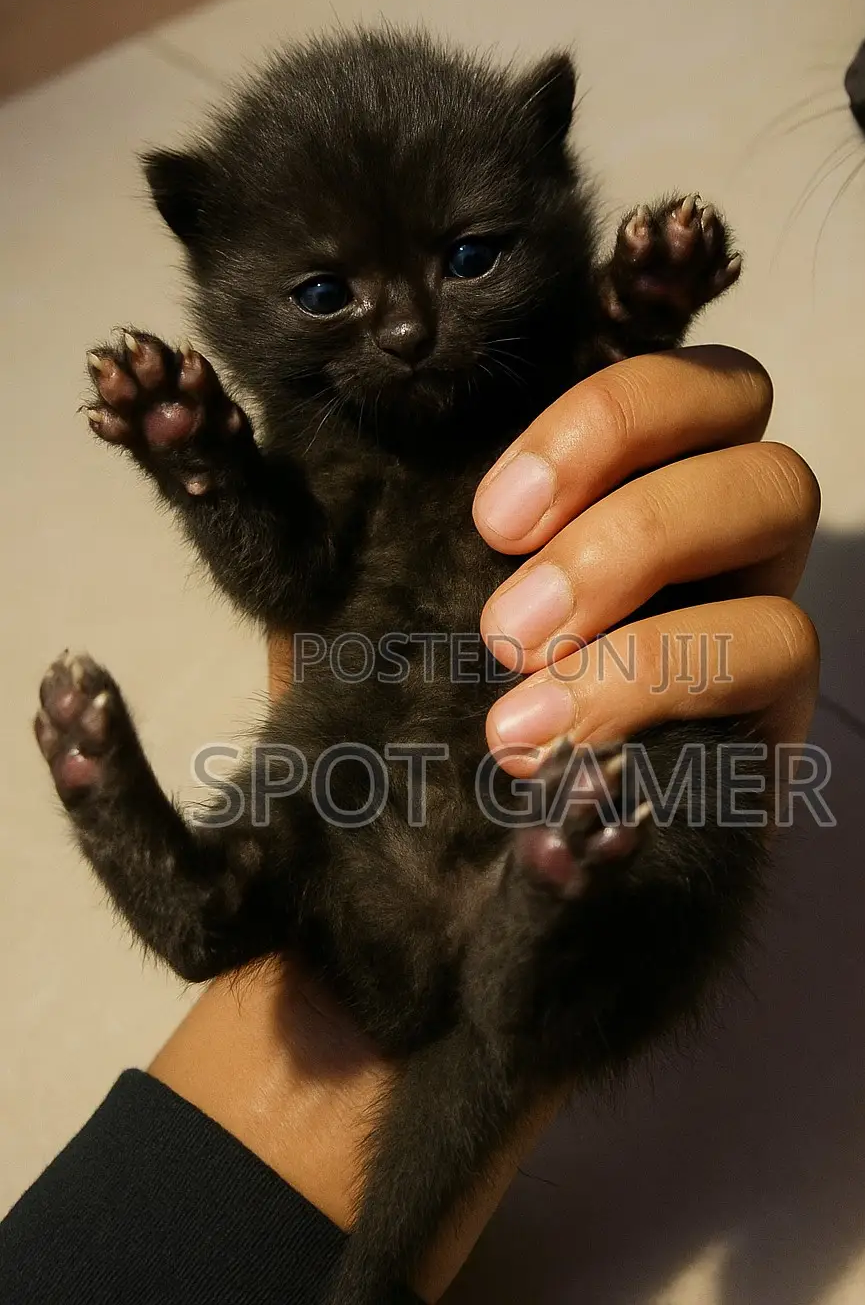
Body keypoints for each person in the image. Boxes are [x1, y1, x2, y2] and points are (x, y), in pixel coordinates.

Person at [0, 347, 820, 1304]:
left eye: (471, 254)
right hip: (418, 848)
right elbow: (287, 571)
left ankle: (527, 921)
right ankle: (525, 912)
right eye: (322, 297)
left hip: (447, 866)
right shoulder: (336, 423)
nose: (402, 329)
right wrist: (217, 475)